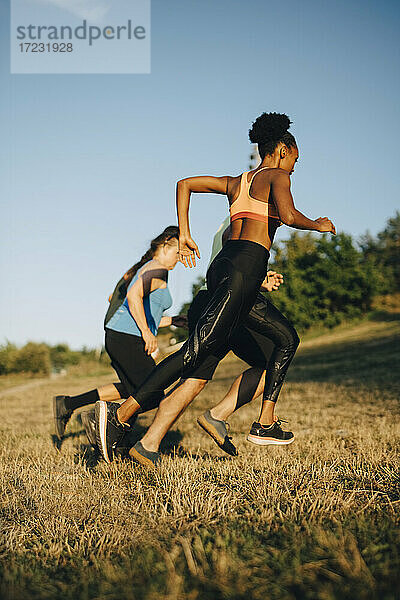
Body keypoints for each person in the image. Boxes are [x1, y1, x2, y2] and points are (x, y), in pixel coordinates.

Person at [96, 112, 336, 467]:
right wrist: (317, 224)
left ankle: (167, 437)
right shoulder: (276, 176)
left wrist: (185, 231)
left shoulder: (237, 182)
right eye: (295, 160)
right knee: (197, 351)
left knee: (278, 343)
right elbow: (287, 215)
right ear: (283, 150)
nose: (294, 168)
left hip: (229, 269)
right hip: (244, 270)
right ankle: (122, 414)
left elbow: (185, 184)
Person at [52, 226, 185, 446]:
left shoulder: (144, 268)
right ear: (166, 243)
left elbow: (133, 306)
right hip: (128, 337)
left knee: (131, 389)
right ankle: (104, 426)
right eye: (178, 253)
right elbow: (133, 298)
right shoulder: (157, 268)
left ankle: (69, 405)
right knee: (151, 393)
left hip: (120, 336)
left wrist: (172, 321)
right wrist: (145, 332)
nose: (179, 259)